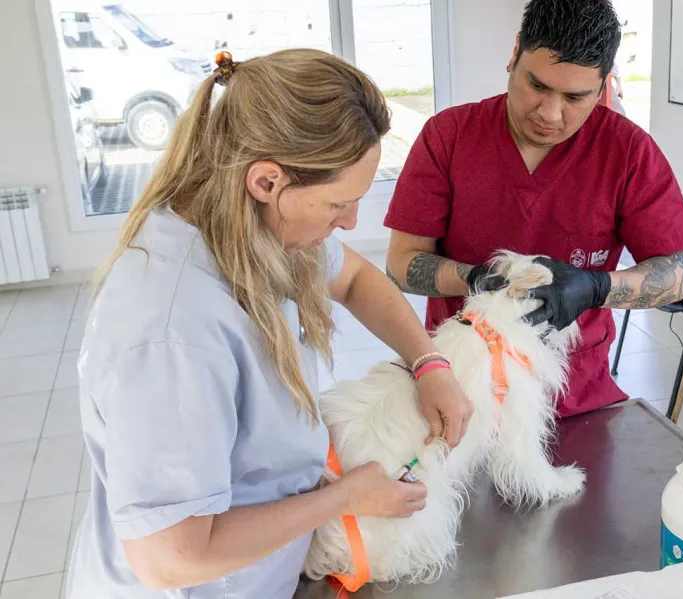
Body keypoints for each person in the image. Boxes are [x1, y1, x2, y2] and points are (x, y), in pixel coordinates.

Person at [66, 49, 473, 598]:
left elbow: (354, 279)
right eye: (337, 205)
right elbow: (171, 558)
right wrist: (346, 498)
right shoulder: (172, 332)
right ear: (266, 181)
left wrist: (430, 364)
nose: (351, 222)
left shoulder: (247, 229)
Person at [383, 0, 683, 419]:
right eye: (537, 86)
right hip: (461, 387)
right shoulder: (449, 136)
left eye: (575, 97)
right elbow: (401, 264)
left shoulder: (627, 152)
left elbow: (677, 279)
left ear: (605, 83)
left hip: (573, 393)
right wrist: (476, 278)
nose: (550, 114)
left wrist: (596, 287)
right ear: (515, 53)